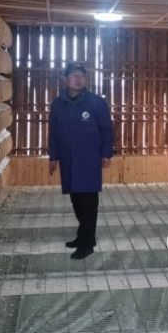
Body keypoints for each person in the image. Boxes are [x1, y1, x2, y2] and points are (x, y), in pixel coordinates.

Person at [48, 62, 114, 259]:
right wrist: (53, 156)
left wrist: (106, 153)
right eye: (74, 75)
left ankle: (87, 243)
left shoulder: (96, 102)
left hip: (89, 160)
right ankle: (84, 236)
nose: (78, 79)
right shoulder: (58, 104)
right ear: (66, 79)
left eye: (81, 76)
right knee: (76, 199)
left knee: (88, 202)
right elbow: (53, 132)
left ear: (86, 80)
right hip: (68, 160)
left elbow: (107, 129)